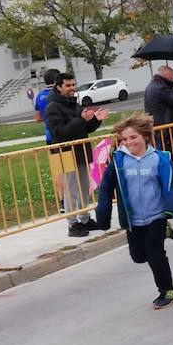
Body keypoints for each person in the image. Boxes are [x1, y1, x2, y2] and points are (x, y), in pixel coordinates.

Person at [94, 113, 173, 309]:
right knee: (138, 257)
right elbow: (106, 187)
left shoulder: (159, 159)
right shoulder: (118, 162)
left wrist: (170, 206)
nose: (129, 142)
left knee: (155, 255)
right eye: (125, 139)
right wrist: (103, 214)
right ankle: (166, 231)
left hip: (156, 215)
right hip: (133, 219)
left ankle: (167, 291)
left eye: (133, 137)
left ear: (144, 136)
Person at [46, 73, 109, 237]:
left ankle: (85, 218)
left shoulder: (74, 104)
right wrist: (81, 120)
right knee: (71, 190)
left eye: (73, 85)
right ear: (59, 87)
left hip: (80, 151)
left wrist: (95, 120)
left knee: (83, 187)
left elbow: (85, 128)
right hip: (66, 155)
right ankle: (72, 224)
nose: (72, 88)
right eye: (68, 85)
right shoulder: (53, 107)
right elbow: (59, 133)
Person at [144, 65, 173, 165]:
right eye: (172, 77)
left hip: (160, 132)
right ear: (167, 76)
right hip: (168, 133)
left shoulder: (152, 86)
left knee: (166, 162)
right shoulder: (161, 88)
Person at [34, 68, 66, 213]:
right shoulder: (59, 94)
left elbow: (37, 118)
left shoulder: (40, 96)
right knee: (69, 168)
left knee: (57, 170)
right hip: (63, 134)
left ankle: (62, 202)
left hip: (49, 137)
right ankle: (71, 199)